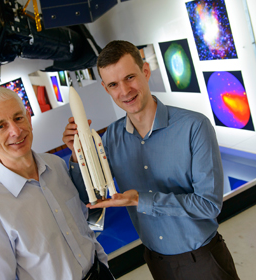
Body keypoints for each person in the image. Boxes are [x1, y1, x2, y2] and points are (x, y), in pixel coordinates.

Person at [62, 40, 240, 280]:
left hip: (202, 261)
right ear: (106, 88)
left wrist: (140, 199)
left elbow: (209, 205)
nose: (124, 91)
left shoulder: (194, 126)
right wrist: (77, 153)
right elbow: (91, 198)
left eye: (130, 78)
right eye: (114, 84)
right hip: (156, 262)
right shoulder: (111, 138)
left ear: (145, 71)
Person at [0, 87, 114, 280]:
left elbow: (82, 224)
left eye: (18, 118)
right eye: (1, 126)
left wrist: (102, 266)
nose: (16, 131)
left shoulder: (56, 165)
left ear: (29, 119)